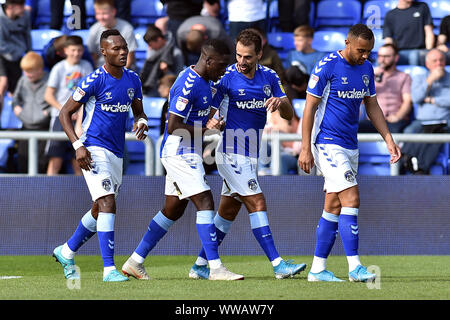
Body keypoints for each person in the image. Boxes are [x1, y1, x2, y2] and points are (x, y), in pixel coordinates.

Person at [121, 39, 244, 281]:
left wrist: (210, 125)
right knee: (206, 200)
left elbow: (197, 119)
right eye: (221, 65)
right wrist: (207, 132)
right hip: (179, 151)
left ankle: (135, 261)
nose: (223, 70)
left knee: (172, 210)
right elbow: (174, 125)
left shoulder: (205, 82)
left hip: (188, 151)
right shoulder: (188, 84)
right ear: (207, 61)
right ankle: (215, 268)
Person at [188, 29, 307, 280]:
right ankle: (278, 265)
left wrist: (280, 102)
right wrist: (212, 121)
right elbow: (208, 109)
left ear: (259, 55)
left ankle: (200, 265)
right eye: (239, 55)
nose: (241, 61)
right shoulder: (227, 78)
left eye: (248, 57)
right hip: (231, 151)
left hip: (251, 153)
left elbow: (287, 114)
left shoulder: (270, 77)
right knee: (257, 201)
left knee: (227, 213)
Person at [298, 24, 401, 282]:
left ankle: (318, 270)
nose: (365, 56)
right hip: (327, 143)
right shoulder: (327, 66)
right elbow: (309, 108)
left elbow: (372, 105)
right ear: (347, 43)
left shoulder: (366, 68)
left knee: (333, 205)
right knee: (351, 199)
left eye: (368, 51)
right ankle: (355, 267)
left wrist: (388, 138)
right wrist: (305, 147)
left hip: (349, 145)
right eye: (360, 50)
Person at [52, 29, 148, 282]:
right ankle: (109, 270)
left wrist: (142, 123)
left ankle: (66, 251)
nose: (122, 52)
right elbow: (64, 113)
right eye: (116, 48)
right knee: (107, 204)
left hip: (117, 153)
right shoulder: (94, 79)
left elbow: (139, 112)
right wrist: (77, 146)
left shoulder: (133, 80)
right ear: (103, 52)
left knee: (99, 208)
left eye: (124, 47)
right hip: (93, 149)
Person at [44, 35, 93, 176]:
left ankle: (84, 194)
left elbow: (90, 95)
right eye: (73, 50)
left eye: (79, 50)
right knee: (55, 159)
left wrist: (80, 115)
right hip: (60, 119)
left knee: (80, 159)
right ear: (65, 50)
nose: (76, 53)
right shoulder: (58, 68)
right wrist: (66, 111)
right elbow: (48, 95)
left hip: (81, 118)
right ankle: (49, 191)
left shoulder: (86, 66)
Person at [401, 49, 450, 174]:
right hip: (422, 121)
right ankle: (406, 160)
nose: (439, 64)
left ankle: (419, 166)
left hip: (445, 120)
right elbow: (417, 98)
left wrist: (432, 100)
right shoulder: (420, 78)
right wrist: (430, 81)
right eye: (435, 61)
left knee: (439, 134)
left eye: (441, 60)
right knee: (409, 131)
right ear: (427, 64)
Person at [358, 43, 412, 134]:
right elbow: (360, 101)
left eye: (386, 56)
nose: (382, 60)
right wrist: (368, 81)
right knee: (352, 129)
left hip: (394, 120)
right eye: (380, 56)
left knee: (395, 133)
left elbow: (407, 101)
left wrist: (397, 117)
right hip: (373, 120)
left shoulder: (404, 77)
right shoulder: (369, 76)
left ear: (396, 58)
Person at [12, 51, 51, 174]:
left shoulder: (49, 79)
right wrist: (18, 111)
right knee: (23, 161)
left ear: (40, 69)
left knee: (41, 163)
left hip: (44, 128)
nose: (27, 74)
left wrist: (47, 113)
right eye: (25, 71)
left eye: (30, 71)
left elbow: (55, 101)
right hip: (26, 128)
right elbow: (15, 100)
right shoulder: (23, 80)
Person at [0, 0, 31, 118]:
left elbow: (27, 35)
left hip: (18, 57)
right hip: (2, 55)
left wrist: (29, 53)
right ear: (11, 7)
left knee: (17, 90)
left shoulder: (26, 15)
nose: (25, 8)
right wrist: (18, 52)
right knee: (2, 85)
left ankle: (18, 121)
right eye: (21, 6)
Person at [87, 0, 137, 70]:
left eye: (104, 13)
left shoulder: (127, 28)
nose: (101, 17)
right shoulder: (94, 30)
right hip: (102, 70)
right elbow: (94, 57)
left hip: (123, 70)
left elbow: (129, 57)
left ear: (113, 12)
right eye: (98, 13)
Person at [383, 0, 434, 66]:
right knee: (382, 59)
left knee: (414, 56)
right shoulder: (390, 14)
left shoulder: (422, 7)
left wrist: (429, 51)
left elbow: (429, 32)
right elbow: (388, 39)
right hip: (400, 52)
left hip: (420, 51)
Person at [140, 24, 184, 96]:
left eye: (151, 44)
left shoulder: (176, 53)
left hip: (168, 89)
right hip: (151, 87)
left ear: (159, 40)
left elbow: (179, 77)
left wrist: (166, 71)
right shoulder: (151, 51)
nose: (149, 47)